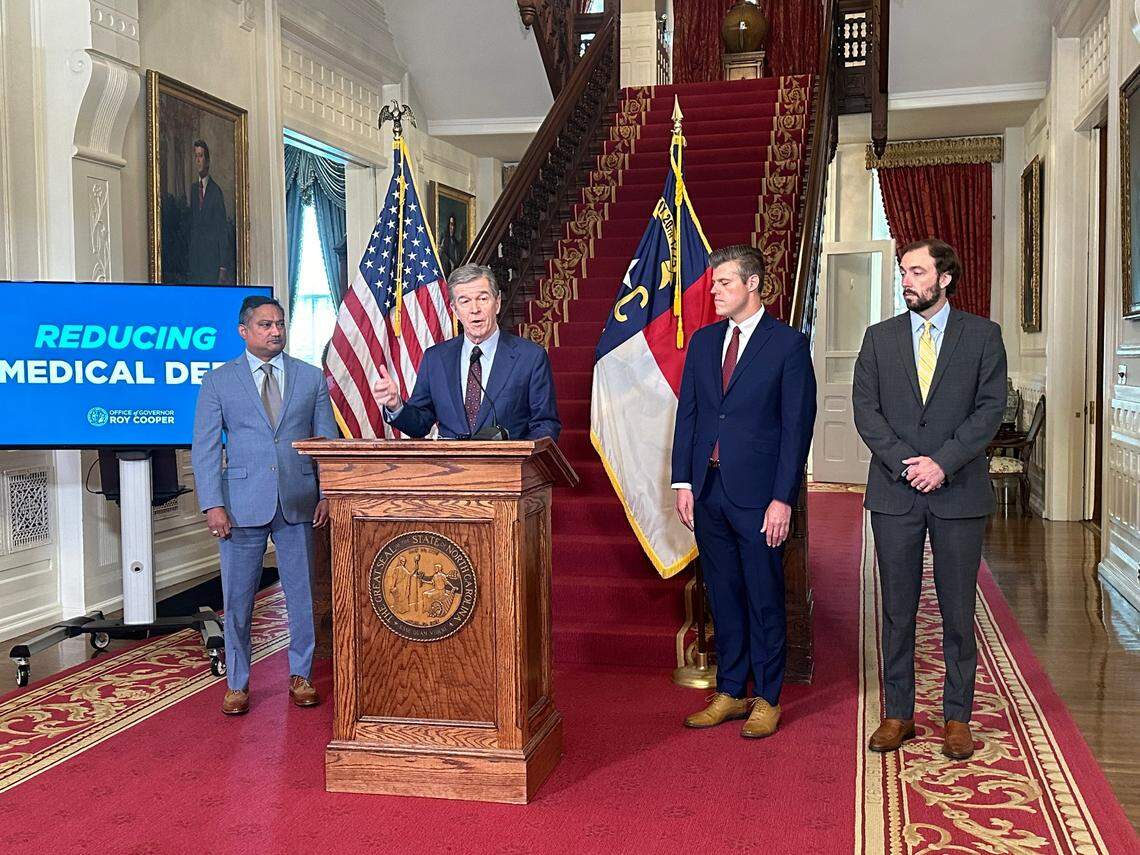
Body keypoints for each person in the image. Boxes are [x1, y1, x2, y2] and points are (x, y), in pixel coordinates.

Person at [853, 238, 1006, 761]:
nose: (906, 280)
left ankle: (957, 717)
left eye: (916, 271)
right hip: (895, 494)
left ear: (944, 277)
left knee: (958, 611)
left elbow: (989, 411)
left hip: (959, 492)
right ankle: (899, 713)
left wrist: (942, 462)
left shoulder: (983, 336)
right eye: (902, 272)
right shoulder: (878, 339)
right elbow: (866, 413)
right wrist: (907, 464)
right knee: (897, 609)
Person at [670, 244, 816, 739]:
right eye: (713, 283)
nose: (714, 291)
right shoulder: (705, 342)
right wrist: (684, 480)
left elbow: (796, 429)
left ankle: (768, 698)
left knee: (763, 597)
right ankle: (731, 691)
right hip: (708, 490)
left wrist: (783, 499)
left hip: (759, 497)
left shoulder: (787, 346)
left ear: (753, 284)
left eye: (724, 283)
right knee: (723, 596)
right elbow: (689, 414)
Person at [191, 295, 337, 716]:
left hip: (298, 503)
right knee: (237, 600)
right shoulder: (218, 381)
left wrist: (326, 493)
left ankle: (301, 675)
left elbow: (323, 444)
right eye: (266, 325)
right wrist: (211, 505)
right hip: (239, 506)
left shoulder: (310, 378)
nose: (275, 331)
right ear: (244, 331)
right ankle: (237, 682)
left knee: (301, 595)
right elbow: (204, 449)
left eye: (280, 324)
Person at [372, 263, 560, 441]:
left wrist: (518, 460)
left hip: (507, 471)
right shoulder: (435, 358)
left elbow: (546, 425)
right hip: (451, 471)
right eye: (465, 301)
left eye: (483, 299)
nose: (475, 309)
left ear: (497, 303)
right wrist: (396, 404)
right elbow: (420, 424)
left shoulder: (530, 357)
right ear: (454, 309)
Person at [187, 139, 233, 284]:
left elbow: (222, 230)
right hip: (196, 260)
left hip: (211, 261)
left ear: (207, 160)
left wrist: (222, 266)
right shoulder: (194, 189)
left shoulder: (215, 191)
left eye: (201, 156)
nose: (198, 161)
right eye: (196, 156)